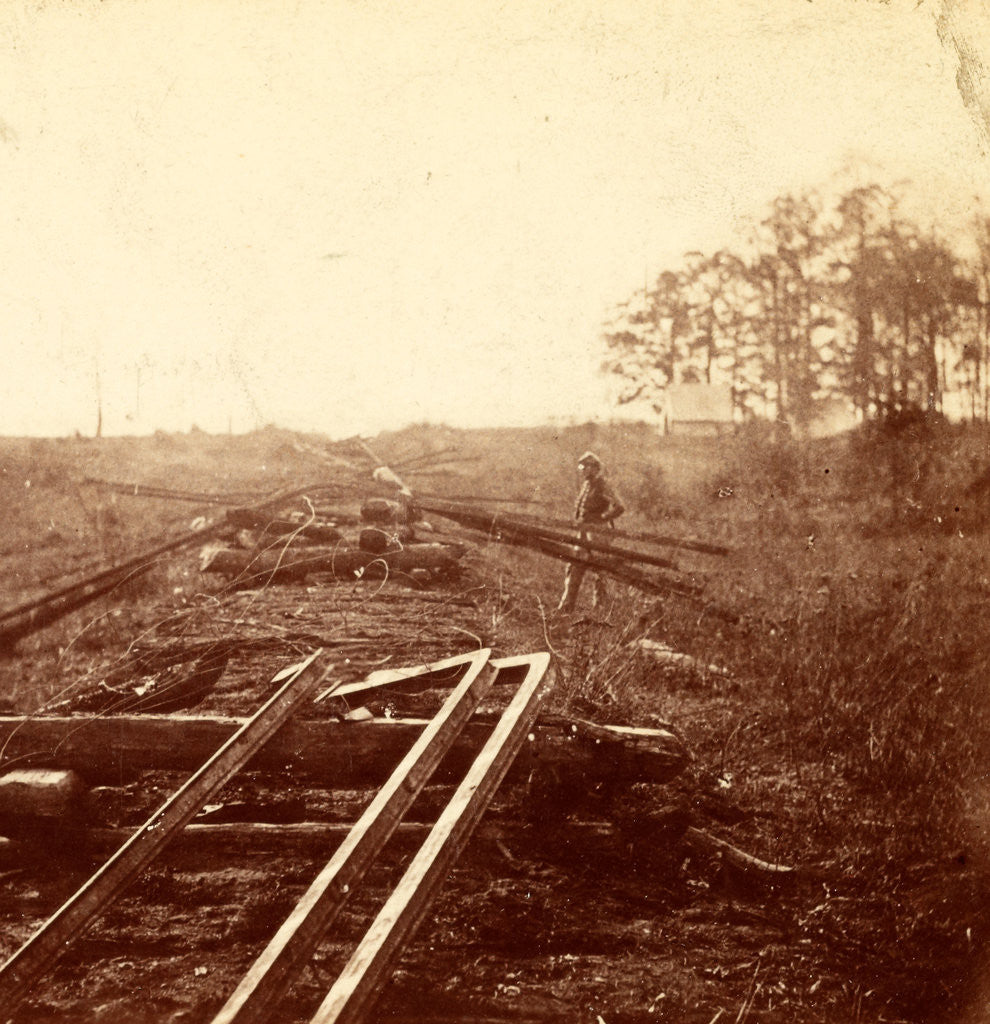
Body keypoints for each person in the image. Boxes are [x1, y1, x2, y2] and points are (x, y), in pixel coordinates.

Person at [555, 450, 625, 613]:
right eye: (582, 467)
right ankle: (566, 606)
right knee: (574, 566)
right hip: (583, 532)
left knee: (600, 571)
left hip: (599, 533)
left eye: (586, 466)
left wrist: (602, 518)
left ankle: (600, 609)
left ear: (595, 468)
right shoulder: (586, 485)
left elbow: (620, 507)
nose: (583, 470)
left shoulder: (603, 484)